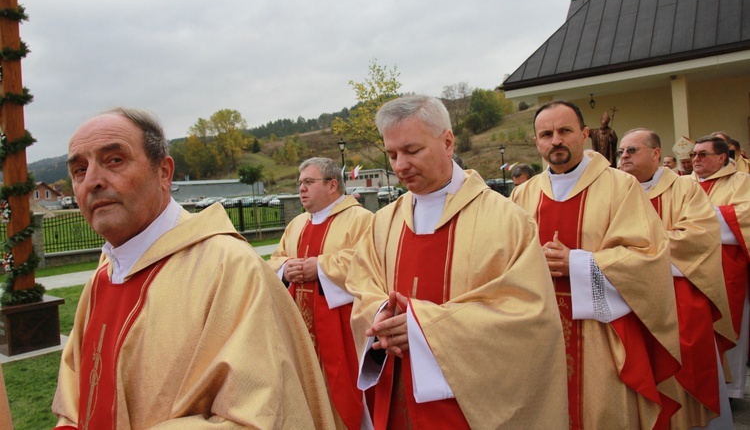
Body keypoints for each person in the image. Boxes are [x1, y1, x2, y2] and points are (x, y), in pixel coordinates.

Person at [53, 108, 334, 428]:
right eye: (79, 170)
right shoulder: (102, 278)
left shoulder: (230, 267)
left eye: (114, 160)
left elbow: (261, 415)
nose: (92, 181)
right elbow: (75, 393)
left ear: (164, 172)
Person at [347, 95, 568, 428]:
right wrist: (383, 318)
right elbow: (362, 286)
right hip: (399, 394)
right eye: (392, 154)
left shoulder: (507, 220)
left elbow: (529, 315)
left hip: (469, 406)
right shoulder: (382, 222)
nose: (399, 166)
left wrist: (423, 328)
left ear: (447, 142)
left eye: (412, 150)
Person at [511, 101, 680, 429]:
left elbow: (648, 255)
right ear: (536, 142)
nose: (556, 140)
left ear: (585, 135)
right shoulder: (522, 195)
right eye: (546, 134)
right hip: (539, 329)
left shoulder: (620, 186)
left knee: (600, 412)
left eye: (565, 131)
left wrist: (576, 263)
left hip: (601, 332)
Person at [618, 129, 735, 428]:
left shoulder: (684, 189)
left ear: (656, 154)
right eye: (621, 152)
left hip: (675, 294)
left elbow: (699, 237)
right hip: (626, 295)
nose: (624, 157)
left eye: (632, 150)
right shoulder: (615, 191)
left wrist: (640, 257)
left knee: (683, 369)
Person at [268, 157, 373, 429]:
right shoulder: (297, 224)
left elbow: (369, 262)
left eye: (309, 182)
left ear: (332, 185)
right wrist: (285, 269)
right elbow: (273, 260)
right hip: (301, 333)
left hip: (341, 332)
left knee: (341, 397)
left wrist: (322, 267)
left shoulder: (361, 219)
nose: (301, 189)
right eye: (300, 183)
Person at [690, 135, 750, 400]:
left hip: (727, 267)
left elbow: (743, 218)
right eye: (693, 154)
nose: (696, 159)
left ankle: (730, 390)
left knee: (727, 326)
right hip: (688, 265)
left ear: (722, 158)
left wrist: (697, 218)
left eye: (703, 154)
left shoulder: (741, 182)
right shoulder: (683, 183)